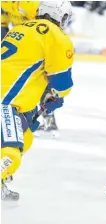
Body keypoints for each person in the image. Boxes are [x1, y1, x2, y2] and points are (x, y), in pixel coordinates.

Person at [1, 1, 74, 201]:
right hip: (5, 104)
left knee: (26, 135)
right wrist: (55, 98)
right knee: (11, 153)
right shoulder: (57, 36)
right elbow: (61, 84)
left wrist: (29, 111)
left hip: (10, 103)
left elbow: (24, 69)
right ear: (61, 16)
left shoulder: (22, 28)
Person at [1, 1, 60, 137]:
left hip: (40, 42)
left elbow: (47, 27)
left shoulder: (33, 4)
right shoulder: (4, 3)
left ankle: (49, 117)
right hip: (22, 41)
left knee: (43, 79)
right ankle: (23, 118)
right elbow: (2, 25)